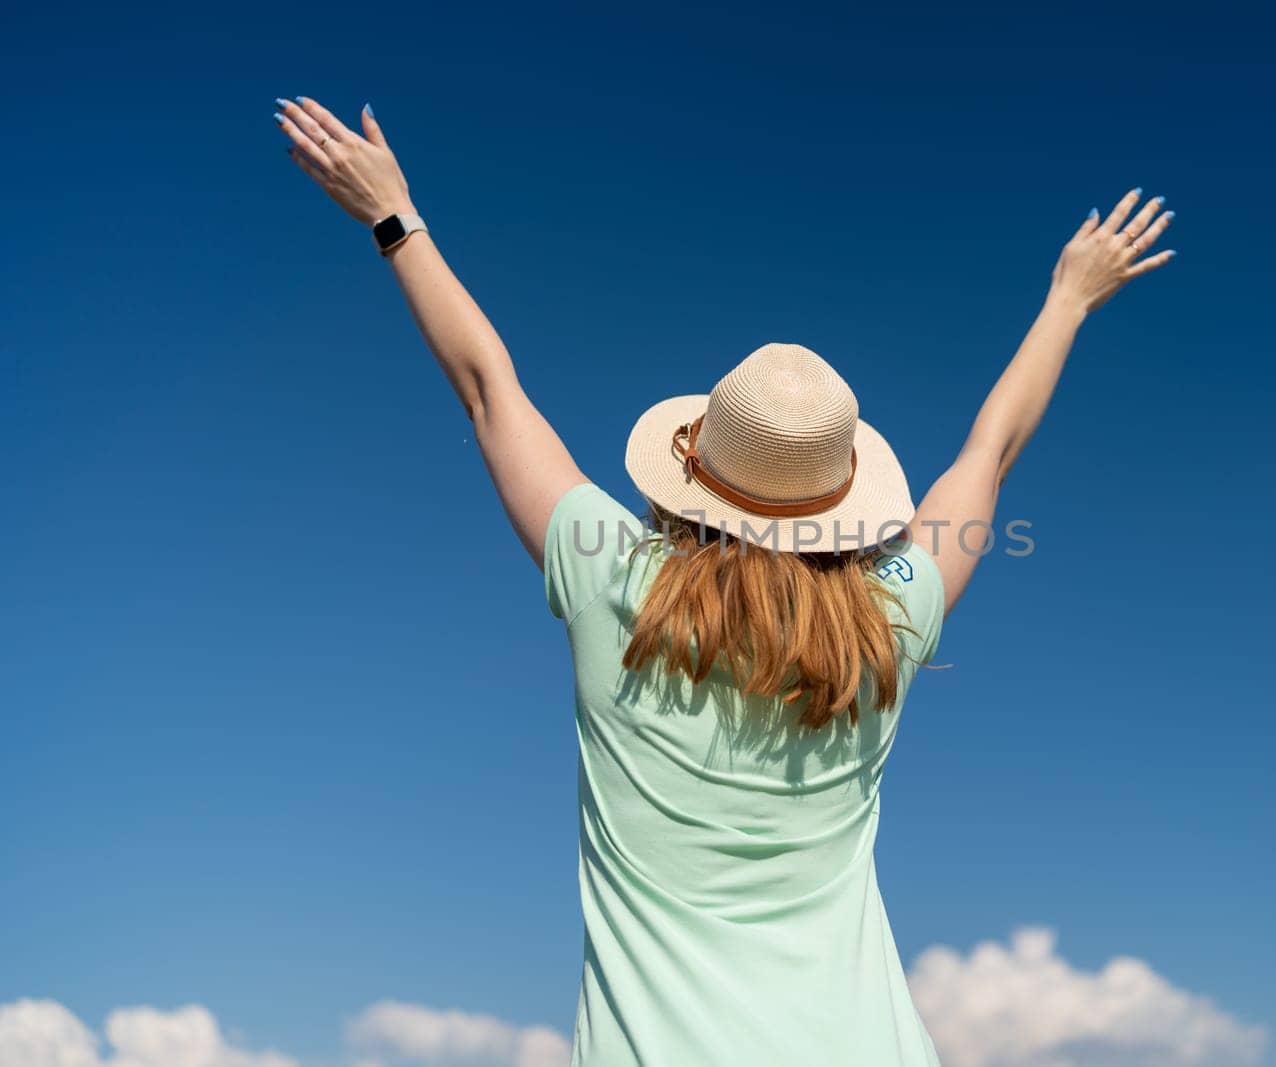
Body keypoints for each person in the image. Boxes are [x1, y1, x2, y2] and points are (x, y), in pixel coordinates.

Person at [272, 95, 1176, 1066]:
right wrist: (1068, 299)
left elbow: (491, 387)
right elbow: (987, 455)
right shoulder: (891, 617)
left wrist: (394, 217)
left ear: (691, 468)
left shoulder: (610, 573)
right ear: (845, 499)